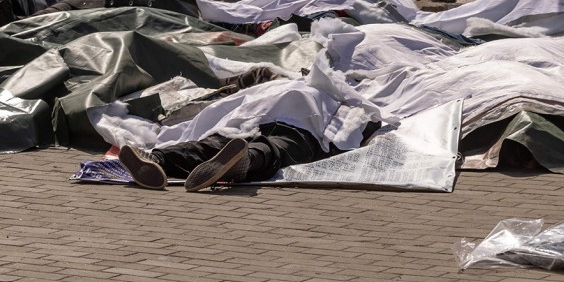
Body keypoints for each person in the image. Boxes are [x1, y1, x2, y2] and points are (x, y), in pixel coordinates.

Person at [118, 120, 381, 192]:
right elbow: (358, 129)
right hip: (302, 132)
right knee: (273, 150)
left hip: (253, 120)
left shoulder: (281, 83)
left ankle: (159, 159)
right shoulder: (346, 100)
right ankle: (244, 162)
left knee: (210, 143)